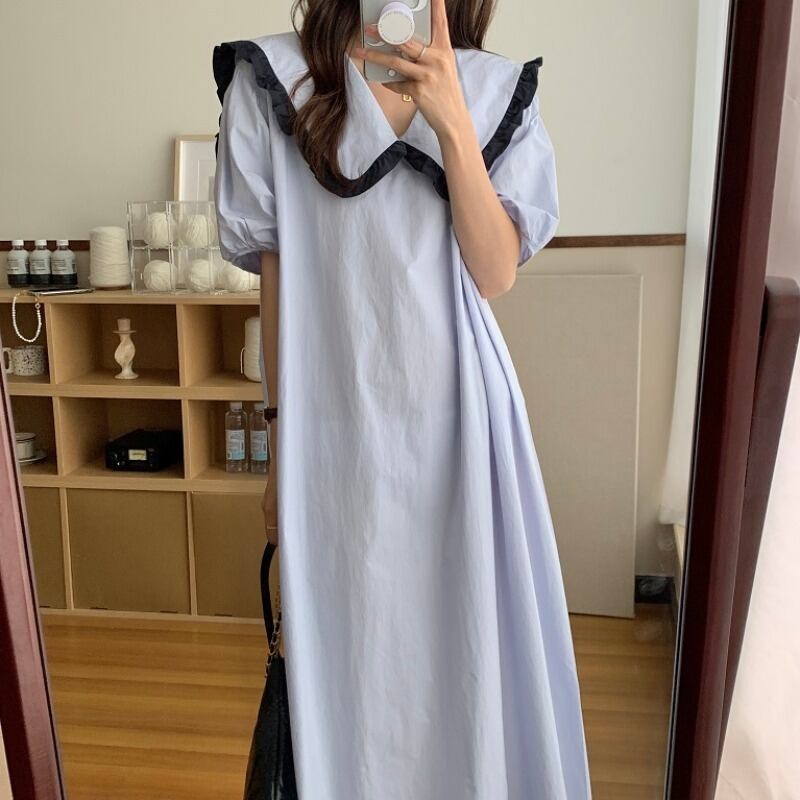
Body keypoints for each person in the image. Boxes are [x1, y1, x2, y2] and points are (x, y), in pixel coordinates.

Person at [213, 0, 591, 796]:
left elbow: (495, 272)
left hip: (461, 426)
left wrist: (452, 121)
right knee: (352, 658)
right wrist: (279, 448)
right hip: (332, 426)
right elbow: (276, 282)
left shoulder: (489, 87)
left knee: (462, 652)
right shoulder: (271, 80)